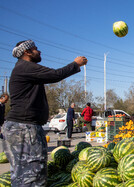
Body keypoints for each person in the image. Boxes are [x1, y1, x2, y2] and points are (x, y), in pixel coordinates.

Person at [2, 40, 87, 186]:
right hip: (24, 128)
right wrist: (76, 64)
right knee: (32, 177)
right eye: (36, 49)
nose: (39, 51)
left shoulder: (22, 68)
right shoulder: (26, 67)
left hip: (21, 127)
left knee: (21, 175)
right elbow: (55, 75)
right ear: (27, 52)